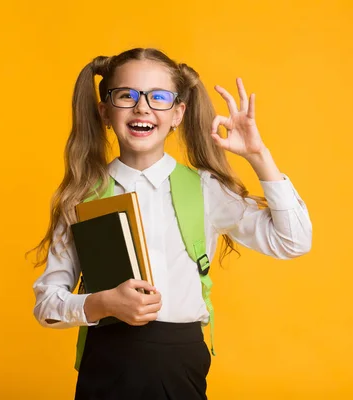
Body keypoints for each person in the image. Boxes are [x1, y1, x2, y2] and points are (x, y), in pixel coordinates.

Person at [29, 47, 312, 399]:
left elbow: (293, 241)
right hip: (106, 365)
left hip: (181, 368)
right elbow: (46, 306)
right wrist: (103, 304)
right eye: (126, 95)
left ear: (178, 113)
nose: (142, 107)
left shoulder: (206, 190)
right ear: (104, 111)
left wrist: (259, 156)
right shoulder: (80, 197)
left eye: (158, 97)